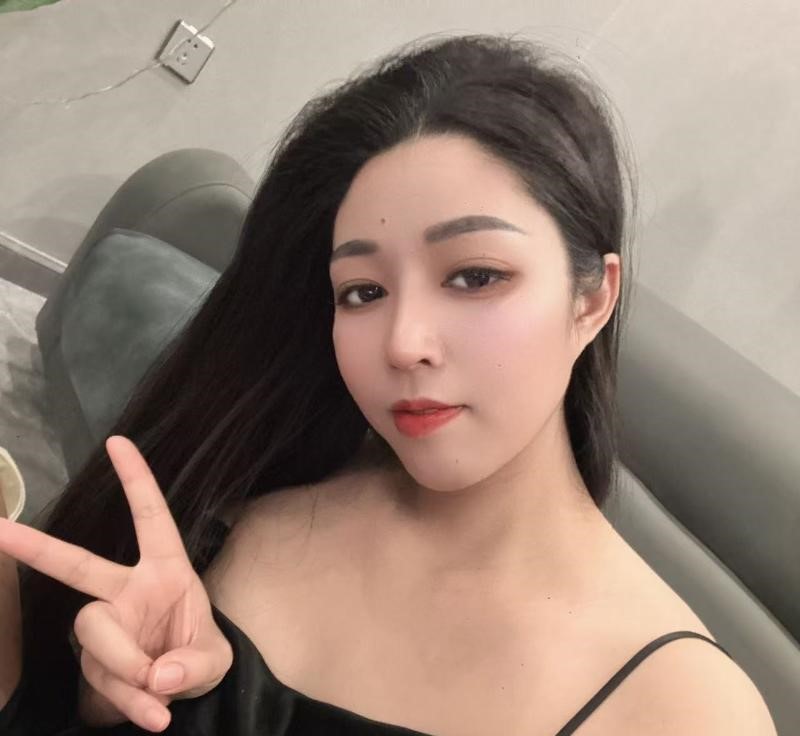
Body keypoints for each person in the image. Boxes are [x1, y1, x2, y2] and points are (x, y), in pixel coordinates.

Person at [0, 32, 777, 735]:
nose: (403, 343)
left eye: (475, 276)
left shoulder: (684, 708)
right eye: (362, 292)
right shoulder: (244, 507)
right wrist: (112, 699)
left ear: (593, 298)